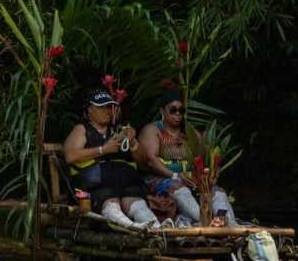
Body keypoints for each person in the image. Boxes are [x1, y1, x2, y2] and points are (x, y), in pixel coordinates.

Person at [63, 89, 162, 229]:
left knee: (138, 204)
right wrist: (103, 150)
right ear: (90, 110)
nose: (107, 111)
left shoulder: (119, 130)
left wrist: (133, 141)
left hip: (124, 183)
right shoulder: (82, 129)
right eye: (101, 107)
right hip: (95, 186)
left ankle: (159, 230)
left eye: (109, 107)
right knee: (110, 201)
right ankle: (134, 228)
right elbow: (70, 156)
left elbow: (142, 161)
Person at [138, 88, 237, 227]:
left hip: (191, 178)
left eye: (181, 110)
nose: (177, 114)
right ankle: (205, 222)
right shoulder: (153, 130)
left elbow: (205, 155)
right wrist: (175, 176)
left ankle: (229, 224)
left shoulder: (190, 133)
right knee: (179, 189)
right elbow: (151, 160)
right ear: (162, 111)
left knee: (217, 192)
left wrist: (206, 176)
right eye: (173, 110)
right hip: (162, 179)